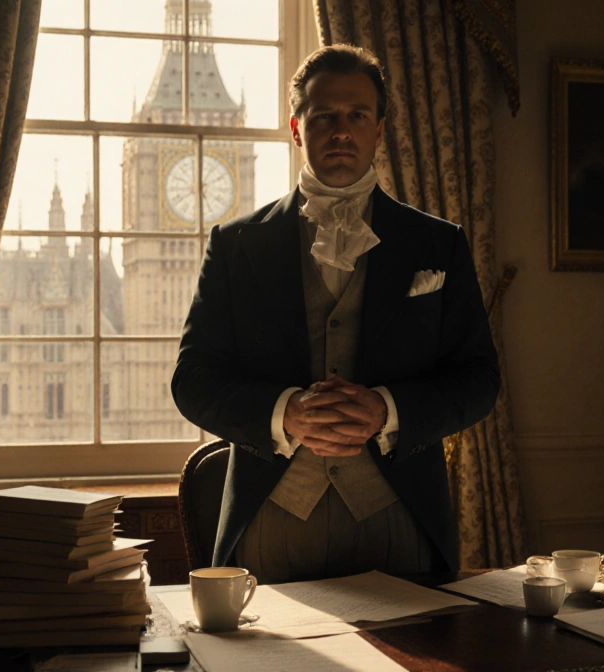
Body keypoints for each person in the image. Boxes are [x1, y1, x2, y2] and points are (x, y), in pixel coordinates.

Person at [171, 45, 500, 584]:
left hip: (399, 521)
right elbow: (193, 380)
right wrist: (285, 413)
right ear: (298, 130)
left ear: (380, 130)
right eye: (324, 116)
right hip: (271, 524)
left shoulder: (439, 245)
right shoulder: (235, 245)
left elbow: (481, 380)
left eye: (357, 116)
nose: (341, 130)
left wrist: (386, 411)